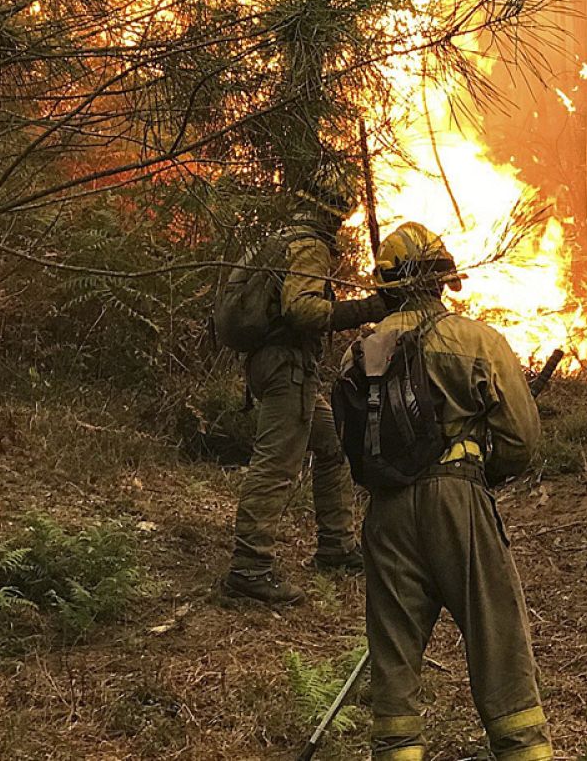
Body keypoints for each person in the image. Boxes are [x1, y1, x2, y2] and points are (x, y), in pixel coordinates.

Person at [356, 222, 553, 761]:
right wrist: (482, 475)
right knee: (498, 640)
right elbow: (522, 439)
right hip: (457, 501)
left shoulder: (366, 349)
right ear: (442, 279)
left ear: (389, 286)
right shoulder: (475, 340)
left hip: (387, 513)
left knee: (393, 657)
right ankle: (522, 751)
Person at [220, 193, 390, 606]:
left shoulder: (279, 237)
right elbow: (302, 312)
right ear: (333, 210)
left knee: (333, 448)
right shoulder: (310, 244)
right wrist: (368, 308)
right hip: (287, 370)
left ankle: (336, 545)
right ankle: (249, 568)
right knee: (276, 464)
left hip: (274, 366)